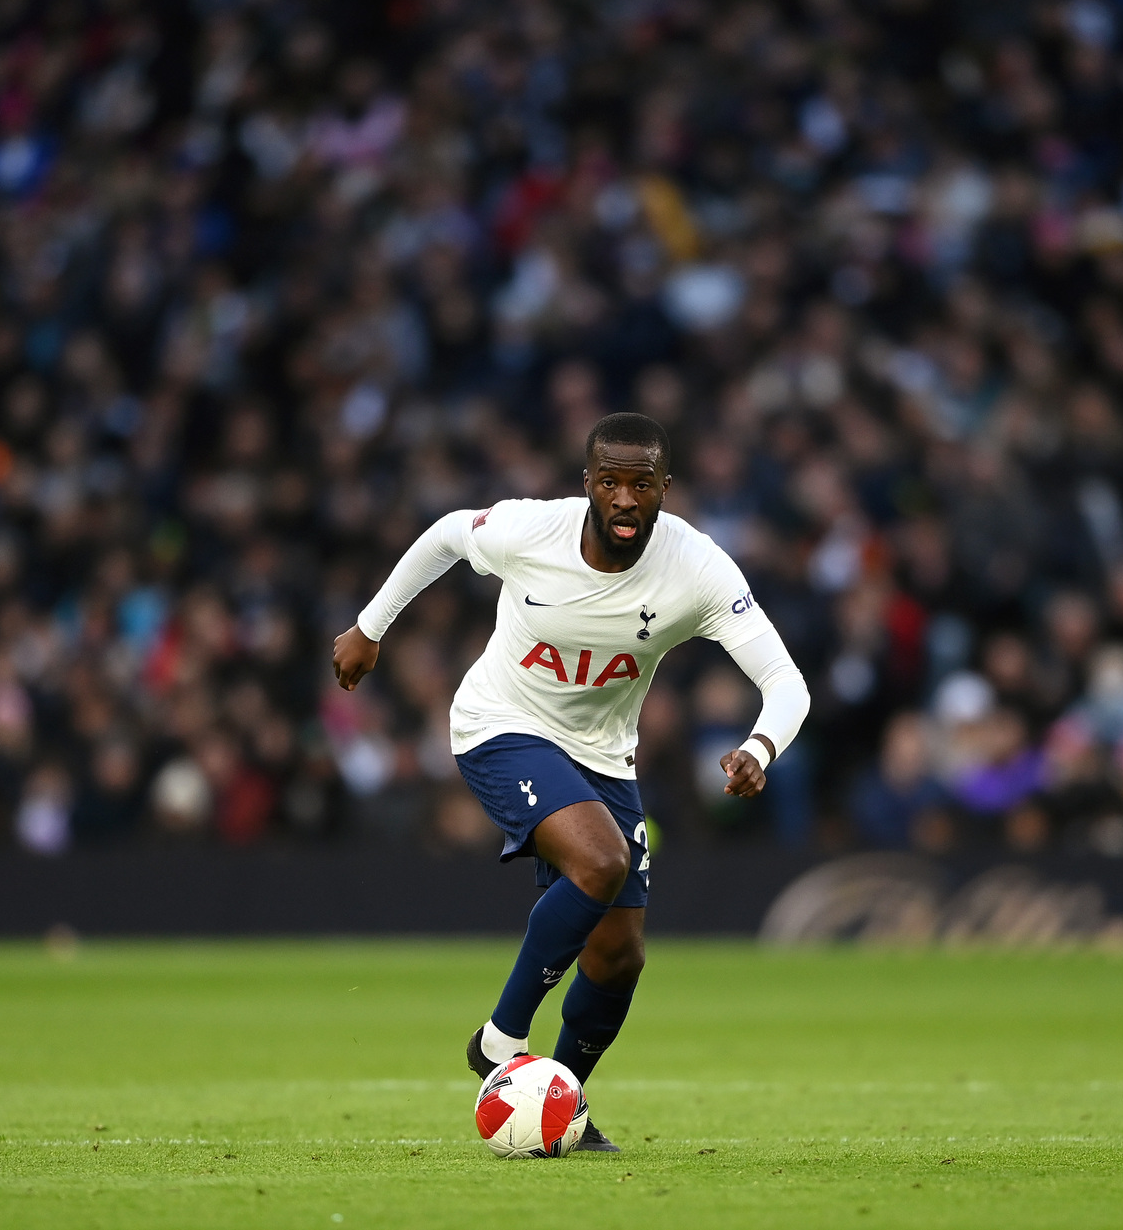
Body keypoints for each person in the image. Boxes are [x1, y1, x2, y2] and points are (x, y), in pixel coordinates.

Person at [332, 413, 810, 1151]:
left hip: (604, 756)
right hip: (500, 724)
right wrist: (371, 626)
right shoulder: (533, 532)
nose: (625, 497)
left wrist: (762, 744)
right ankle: (500, 1039)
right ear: (587, 482)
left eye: (641, 483)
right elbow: (450, 534)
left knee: (620, 955)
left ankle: (560, 1100)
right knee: (601, 858)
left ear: (664, 489)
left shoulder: (699, 567)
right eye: (610, 480)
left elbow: (786, 682)